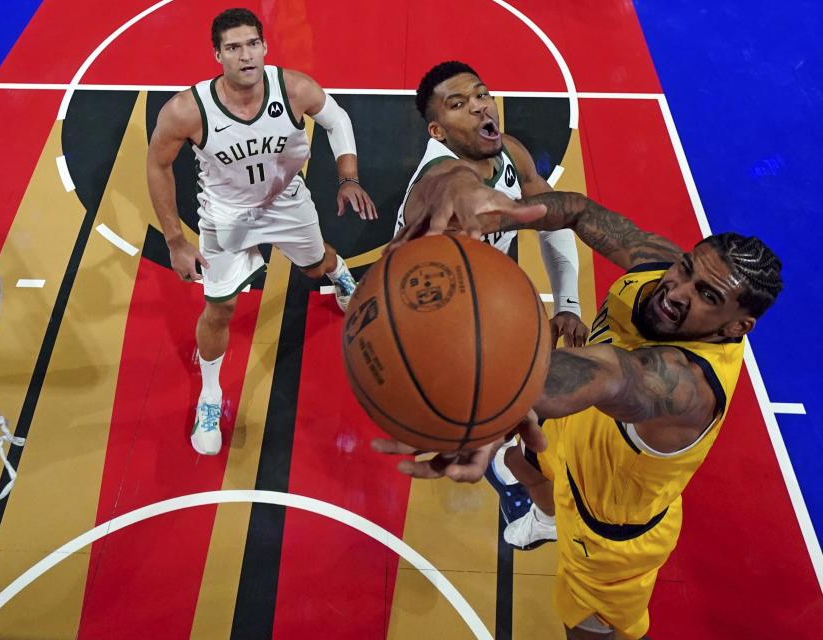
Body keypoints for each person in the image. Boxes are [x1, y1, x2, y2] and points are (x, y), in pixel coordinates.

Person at [376, 176, 783, 639]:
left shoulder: (683, 387)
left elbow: (609, 374)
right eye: (687, 267)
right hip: (575, 442)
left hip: (607, 530)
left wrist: (441, 365)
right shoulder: (662, 272)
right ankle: (547, 518)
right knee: (518, 458)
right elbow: (579, 210)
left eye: (707, 297)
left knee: (586, 631)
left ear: (736, 327)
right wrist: (496, 204)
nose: (677, 290)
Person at [147, 8, 377, 455]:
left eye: (252, 43)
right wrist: (175, 240)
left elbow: (338, 120)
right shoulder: (186, 110)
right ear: (217, 54)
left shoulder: (292, 88)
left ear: (265, 47)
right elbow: (157, 165)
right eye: (233, 47)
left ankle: (339, 272)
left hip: (287, 203)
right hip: (226, 217)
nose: (245, 55)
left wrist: (347, 176)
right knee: (220, 307)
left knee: (316, 266)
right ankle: (210, 395)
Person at [397, 61, 589, 349]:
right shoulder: (435, 182)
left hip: (487, 289)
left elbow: (554, 221)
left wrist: (568, 305)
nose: (478, 107)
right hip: (429, 305)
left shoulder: (511, 152)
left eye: (482, 95)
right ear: (438, 132)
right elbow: (444, 187)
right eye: (458, 104)